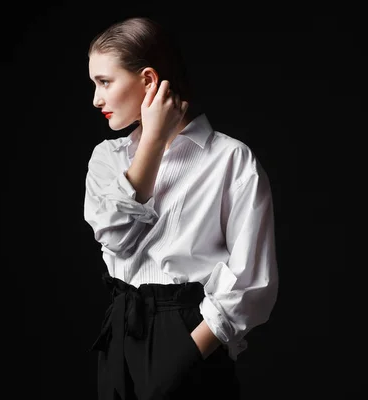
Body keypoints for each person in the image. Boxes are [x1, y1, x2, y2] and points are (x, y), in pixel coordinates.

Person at [84, 16, 279, 400]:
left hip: (191, 334)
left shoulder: (230, 159)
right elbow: (114, 237)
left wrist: (188, 354)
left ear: (148, 80)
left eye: (104, 82)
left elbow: (253, 281)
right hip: (122, 332)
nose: (96, 99)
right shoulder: (108, 157)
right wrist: (153, 142)